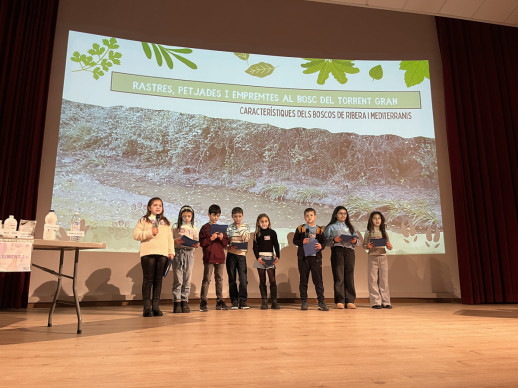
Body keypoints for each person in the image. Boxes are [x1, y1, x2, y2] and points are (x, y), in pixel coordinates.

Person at [133, 197, 175, 317]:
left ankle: (156, 306)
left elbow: (169, 238)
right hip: (148, 253)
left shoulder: (165, 222)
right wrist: (150, 233)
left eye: (160, 205)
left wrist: (171, 252)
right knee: (148, 280)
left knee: (158, 280)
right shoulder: (144, 220)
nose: (158, 207)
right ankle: (147, 307)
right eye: (155, 205)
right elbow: (136, 235)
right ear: (149, 207)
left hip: (162, 254)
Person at [324, 206, 360, 309]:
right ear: (336, 214)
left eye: (345, 213)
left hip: (349, 251)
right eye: (340, 213)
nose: (343, 215)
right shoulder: (331, 227)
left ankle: (350, 300)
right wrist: (334, 240)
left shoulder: (351, 227)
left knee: (349, 275)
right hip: (337, 250)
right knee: (339, 276)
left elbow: (358, 241)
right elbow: (325, 241)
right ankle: (340, 300)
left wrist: (354, 241)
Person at [293, 208, 328, 311]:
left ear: (315, 217)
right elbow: (295, 240)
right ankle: (304, 301)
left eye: (311, 215)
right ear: (304, 218)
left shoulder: (320, 230)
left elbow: (324, 242)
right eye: (307, 215)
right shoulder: (300, 229)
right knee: (303, 280)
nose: (309, 217)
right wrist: (301, 242)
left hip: (316, 258)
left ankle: (321, 302)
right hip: (303, 258)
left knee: (318, 281)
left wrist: (321, 246)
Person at [199, 204, 229, 311]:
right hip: (209, 257)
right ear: (209, 215)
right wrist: (211, 238)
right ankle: (203, 301)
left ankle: (219, 301)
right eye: (214, 215)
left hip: (220, 257)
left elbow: (226, 244)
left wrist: (222, 238)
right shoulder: (205, 228)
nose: (216, 217)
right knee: (206, 279)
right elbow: (202, 243)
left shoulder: (221, 229)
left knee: (219, 279)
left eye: (218, 215)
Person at [172, 205, 200, 313]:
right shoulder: (176, 226)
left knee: (187, 278)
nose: (187, 218)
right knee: (178, 278)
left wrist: (196, 244)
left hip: (189, 253)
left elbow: (196, 241)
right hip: (178, 253)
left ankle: (184, 301)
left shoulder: (194, 228)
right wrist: (176, 242)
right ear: (181, 216)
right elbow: (170, 239)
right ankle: (177, 302)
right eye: (184, 216)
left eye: (189, 216)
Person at [363, 211, 393, 309]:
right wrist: (368, 246)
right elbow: (364, 245)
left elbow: (389, 246)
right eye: (375, 218)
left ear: (382, 220)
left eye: (379, 218)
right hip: (372, 256)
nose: (377, 220)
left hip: (383, 256)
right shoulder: (368, 232)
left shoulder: (384, 232)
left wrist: (389, 246)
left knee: (384, 280)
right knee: (373, 279)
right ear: (371, 220)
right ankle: (376, 301)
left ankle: (386, 301)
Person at [252, 213, 280, 309]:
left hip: (270, 258)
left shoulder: (272, 233)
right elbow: (254, 248)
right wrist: (258, 258)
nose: (264, 223)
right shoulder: (257, 234)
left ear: (268, 222)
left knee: (272, 280)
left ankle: (274, 301)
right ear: (258, 223)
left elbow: (276, 245)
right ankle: (264, 301)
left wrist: (278, 257)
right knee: (262, 280)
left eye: (266, 221)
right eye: (262, 221)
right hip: (261, 259)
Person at [226, 207, 251, 309]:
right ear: (232, 216)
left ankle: (243, 300)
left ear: (242, 216)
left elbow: (246, 238)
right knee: (232, 278)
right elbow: (226, 241)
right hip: (231, 254)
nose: (237, 218)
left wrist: (239, 228)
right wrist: (228, 247)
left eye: (239, 216)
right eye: (235, 216)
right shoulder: (229, 227)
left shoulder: (245, 227)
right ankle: (234, 301)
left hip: (241, 255)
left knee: (243, 278)